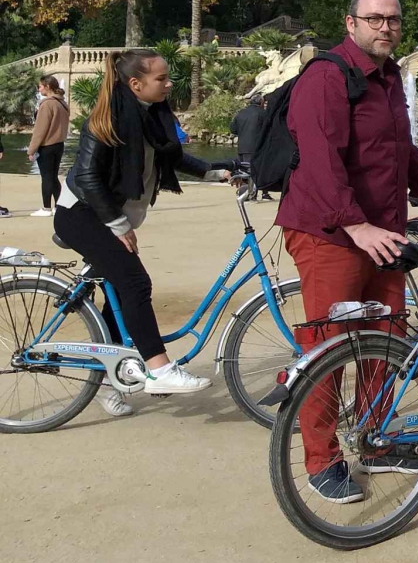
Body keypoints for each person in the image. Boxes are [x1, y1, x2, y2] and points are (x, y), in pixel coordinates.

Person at [277, 0, 418, 502]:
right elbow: (320, 161)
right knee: (329, 347)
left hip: (382, 231)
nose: (385, 27)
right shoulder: (326, 77)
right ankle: (322, 460)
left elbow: (399, 150)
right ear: (350, 22)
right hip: (331, 233)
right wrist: (356, 226)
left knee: (387, 340)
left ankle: (376, 441)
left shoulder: (390, 77)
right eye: (374, 18)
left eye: (393, 19)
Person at [52, 49, 234, 418]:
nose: (169, 84)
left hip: (105, 215)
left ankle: (108, 380)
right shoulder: (109, 119)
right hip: (82, 214)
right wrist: (118, 225)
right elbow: (87, 177)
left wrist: (215, 173)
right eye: (161, 79)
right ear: (136, 84)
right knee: (135, 283)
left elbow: (172, 157)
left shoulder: (151, 115)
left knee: (119, 295)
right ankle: (160, 369)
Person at [27, 75, 68, 216]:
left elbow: (40, 130)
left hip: (47, 146)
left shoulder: (47, 104)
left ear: (47, 86)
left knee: (46, 177)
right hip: (59, 145)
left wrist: (31, 150)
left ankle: (46, 208)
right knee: (53, 176)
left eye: (40, 86)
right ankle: (58, 206)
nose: (39, 89)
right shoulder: (62, 103)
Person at [230, 95, 274, 201]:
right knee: (260, 170)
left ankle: (246, 193)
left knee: (245, 171)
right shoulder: (263, 113)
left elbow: (233, 129)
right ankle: (258, 194)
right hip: (258, 147)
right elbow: (270, 129)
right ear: (261, 103)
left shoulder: (241, 113)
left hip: (242, 147)